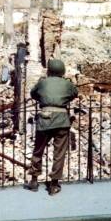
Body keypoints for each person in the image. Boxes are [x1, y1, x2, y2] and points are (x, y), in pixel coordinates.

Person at [25, 59, 78, 195]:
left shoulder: (42, 82)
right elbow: (74, 94)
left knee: (38, 150)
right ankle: (54, 185)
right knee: (59, 153)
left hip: (44, 119)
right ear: (62, 71)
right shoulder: (67, 84)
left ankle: (34, 180)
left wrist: (45, 98)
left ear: (49, 70)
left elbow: (33, 94)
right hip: (61, 121)